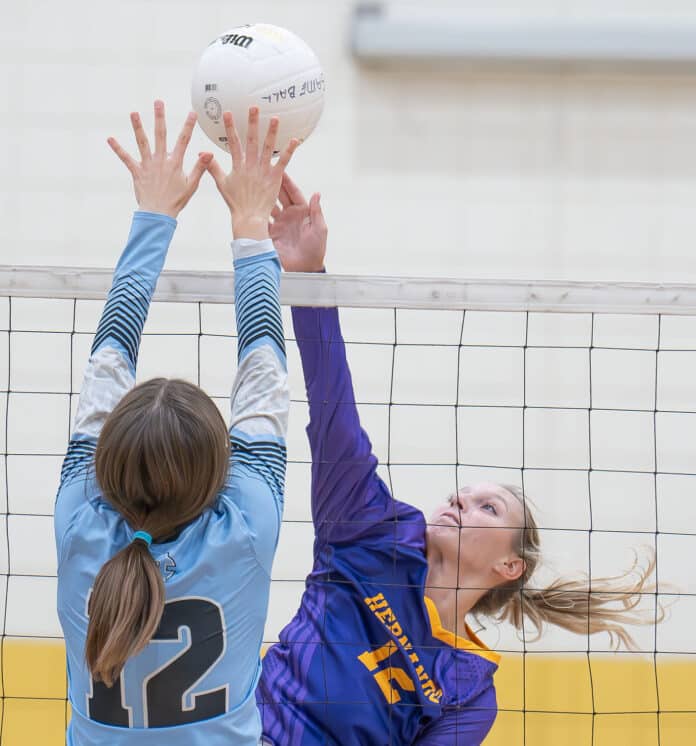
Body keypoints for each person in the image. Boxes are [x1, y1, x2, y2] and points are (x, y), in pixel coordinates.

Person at [256, 174, 659, 745]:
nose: (458, 500)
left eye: (488, 508)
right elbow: (331, 404)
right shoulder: (369, 530)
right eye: (463, 494)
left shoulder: (469, 690)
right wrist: (309, 281)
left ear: (509, 567)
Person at [55, 102, 298, 745]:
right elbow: (261, 367)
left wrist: (156, 215)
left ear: (106, 464)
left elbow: (259, 375)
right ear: (218, 469)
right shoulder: (244, 527)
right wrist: (250, 224)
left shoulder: (83, 523)